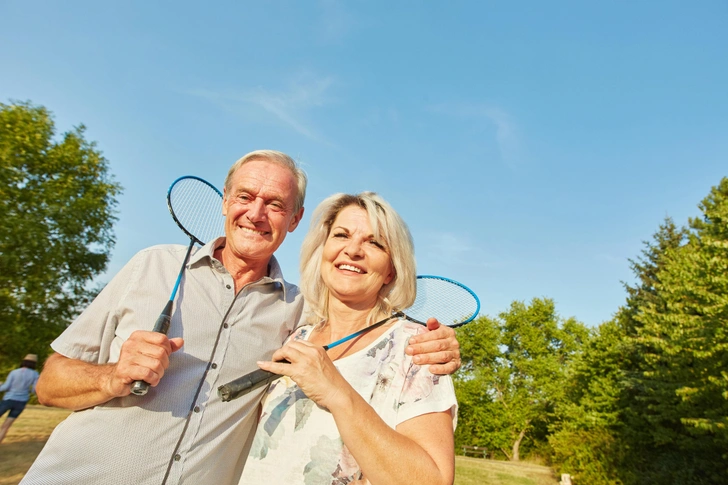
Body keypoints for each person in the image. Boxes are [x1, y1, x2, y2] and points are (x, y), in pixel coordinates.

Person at [22, 150, 461, 485]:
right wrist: (110, 376)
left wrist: (438, 344)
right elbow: (49, 384)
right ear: (226, 201)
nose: (255, 213)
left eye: (274, 203)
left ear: (294, 220)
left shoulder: (295, 314)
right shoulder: (152, 265)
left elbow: (367, 331)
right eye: (246, 197)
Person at [239, 192, 457, 485]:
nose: (353, 250)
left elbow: (432, 481)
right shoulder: (295, 334)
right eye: (341, 235)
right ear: (323, 249)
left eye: (375, 242)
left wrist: (336, 391)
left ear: (391, 270)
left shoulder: (417, 350)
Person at [0, 354, 40, 444]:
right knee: (6, 426)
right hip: (21, 402)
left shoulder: (14, 372)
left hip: (9, 400)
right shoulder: (35, 374)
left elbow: (5, 387)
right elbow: (34, 390)